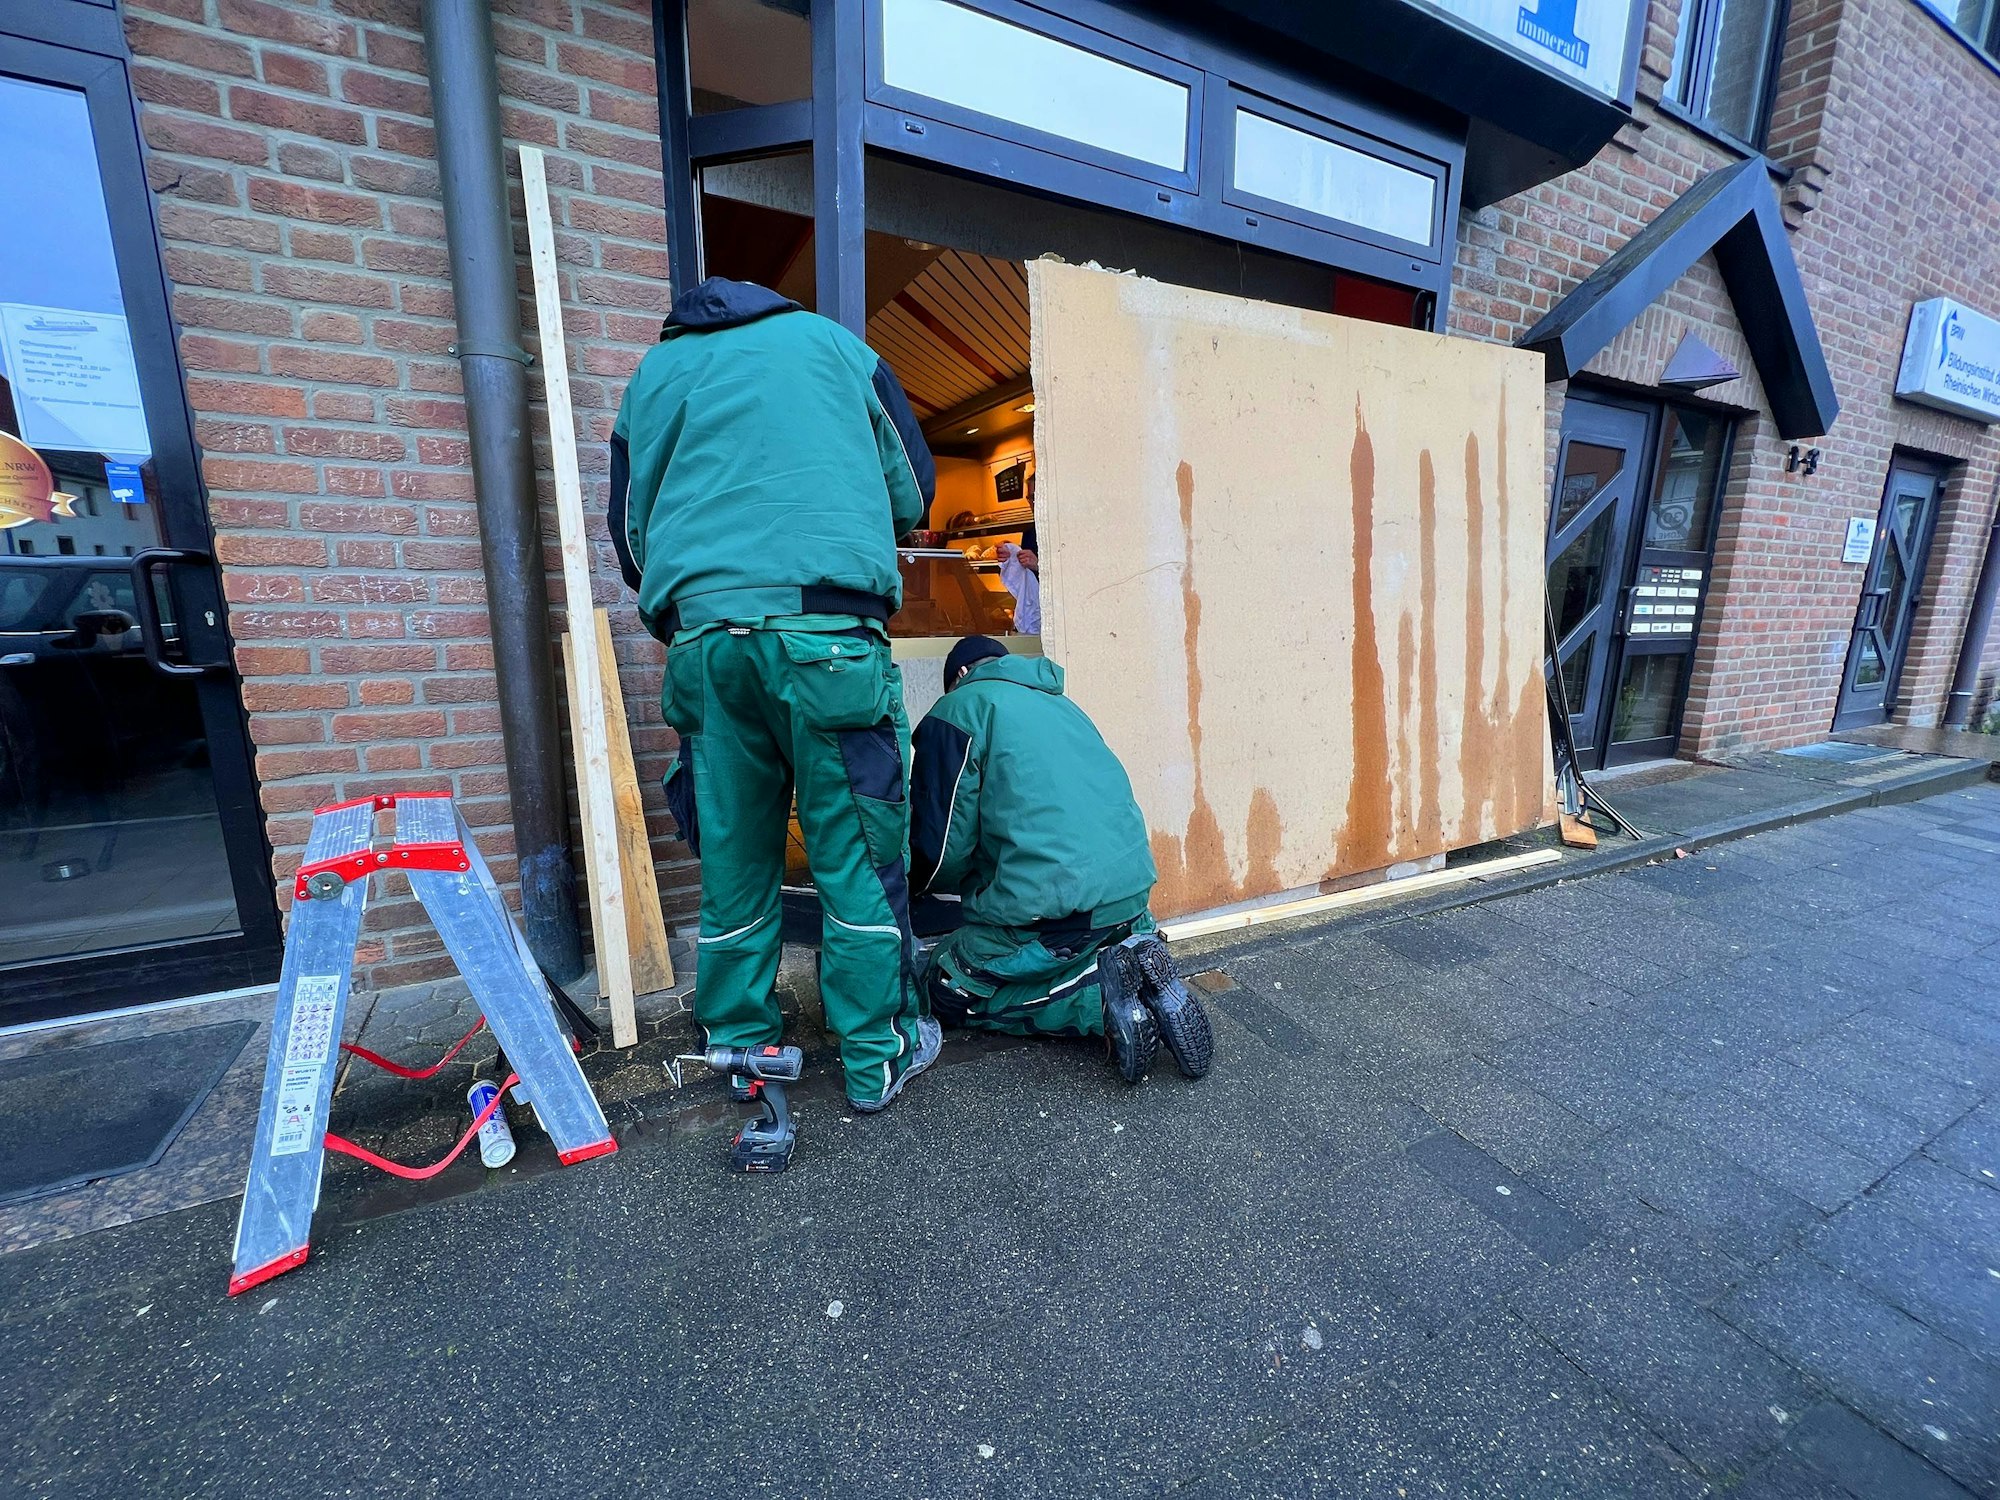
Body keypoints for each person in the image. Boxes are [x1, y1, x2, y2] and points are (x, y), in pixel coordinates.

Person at [609, 277, 941, 1114]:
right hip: (828, 641)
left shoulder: (653, 374)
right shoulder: (837, 349)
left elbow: (630, 536)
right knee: (857, 855)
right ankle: (876, 1058)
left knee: (734, 860)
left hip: (707, 646)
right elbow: (913, 490)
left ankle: (739, 1051)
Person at [909, 635, 1213, 1083]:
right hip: (1130, 897)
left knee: (945, 986)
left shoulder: (960, 709)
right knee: (1071, 939)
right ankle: (1135, 957)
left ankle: (1101, 1004)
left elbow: (940, 852)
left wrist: (909, 885)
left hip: (1056, 914)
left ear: (959, 677)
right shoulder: (1066, 708)